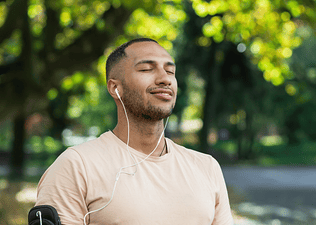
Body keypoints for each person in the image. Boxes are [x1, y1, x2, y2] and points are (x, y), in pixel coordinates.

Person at [35, 38, 234, 225]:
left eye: (170, 72)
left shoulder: (207, 168)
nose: (165, 79)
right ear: (115, 88)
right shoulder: (76, 166)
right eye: (147, 69)